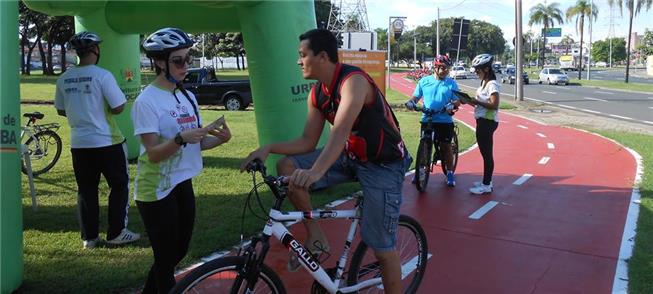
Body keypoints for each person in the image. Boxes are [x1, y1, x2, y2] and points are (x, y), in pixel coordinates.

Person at [240, 28, 411, 293]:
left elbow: (340, 129)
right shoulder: (318, 93)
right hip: (351, 156)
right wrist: (269, 147)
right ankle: (315, 236)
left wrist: (316, 172)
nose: (298, 61)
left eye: (302, 55)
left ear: (322, 56)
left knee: (382, 247)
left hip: (383, 164)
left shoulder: (353, 81)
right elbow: (308, 141)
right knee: (287, 166)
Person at [133, 27, 232, 293]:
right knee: (166, 259)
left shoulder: (187, 96)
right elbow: (153, 153)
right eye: (178, 60)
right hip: (156, 188)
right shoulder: (147, 101)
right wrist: (179, 138)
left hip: (182, 182)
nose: (185, 65)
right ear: (159, 62)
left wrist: (219, 139)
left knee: (178, 252)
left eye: (189, 58)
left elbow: (196, 144)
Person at [54, 32, 140, 249]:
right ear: (95, 50)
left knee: (86, 190)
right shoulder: (102, 75)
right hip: (107, 141)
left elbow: (61, 110)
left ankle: (89, 238)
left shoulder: (64, 78)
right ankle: (117, 232)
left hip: (80, 144)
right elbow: (119, 107)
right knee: (119, 186)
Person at [405, 55, 460, 187]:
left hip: (444, 120)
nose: (445, 71)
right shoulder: (424, 81)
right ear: (435, 67)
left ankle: (450, 172)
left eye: (447, 68)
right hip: (427, 118)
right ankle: (421, 171)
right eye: (442, 68)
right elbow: (415, 97)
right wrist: (411, 102)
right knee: (424, 146)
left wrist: (452, 105)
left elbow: (457, 100)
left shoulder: (451, 83)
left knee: (446, 146)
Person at [468, 53, 500, 195]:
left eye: (478, 70)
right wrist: (467, 100)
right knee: (485, 153)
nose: (476, 72)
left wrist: (476, 101)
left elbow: (494, 104)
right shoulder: (483, 83)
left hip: (487, 122)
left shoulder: (492, 84)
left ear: (486, 69)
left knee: (487, 155)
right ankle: (487, 181)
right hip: (482, 121)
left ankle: (486, 185)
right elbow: (480, 104)